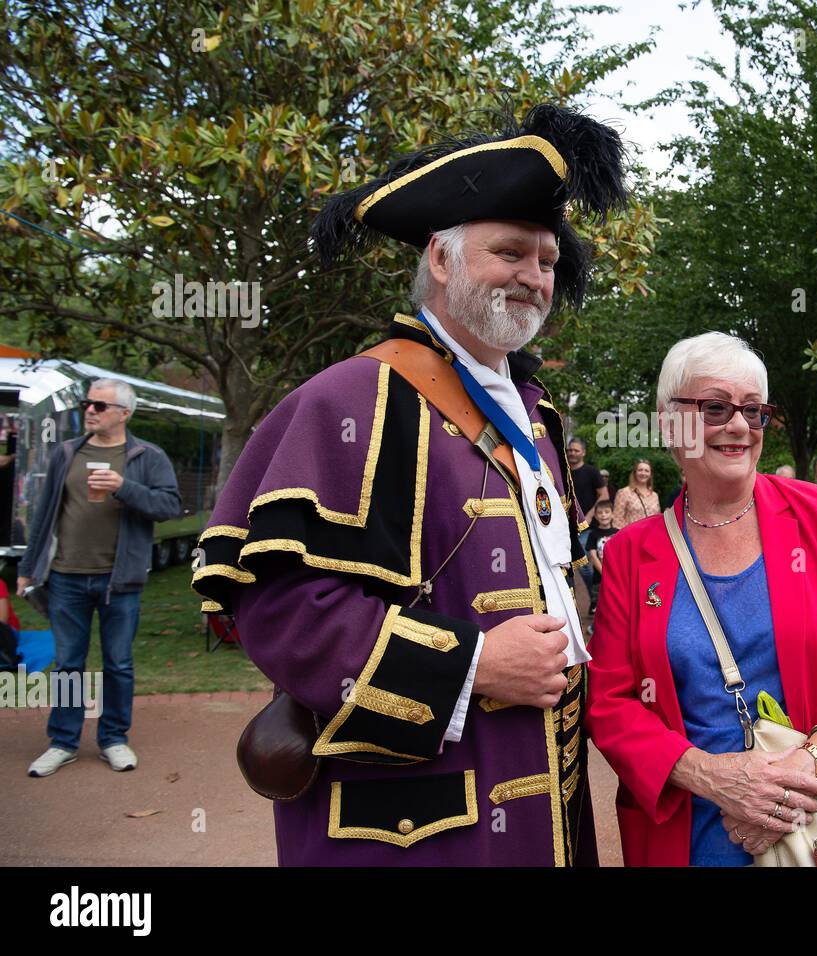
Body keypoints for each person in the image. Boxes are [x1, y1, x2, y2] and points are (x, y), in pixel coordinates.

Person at [191, 105, 628, 865]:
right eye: (511, 252)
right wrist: (475, 663)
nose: (533, 277)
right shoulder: (353, 399)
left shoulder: (536, 415)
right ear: (440, 259)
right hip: (422, 828)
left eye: (548, 261)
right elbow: (284, 612)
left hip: (547, 806)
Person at [586, 331, 817, 866]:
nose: (738, 425)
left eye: (753, 411)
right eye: (715, 408)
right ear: (669, 424)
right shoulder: (630, 554)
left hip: (815, 827)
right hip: (689, 837)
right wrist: (714, 778)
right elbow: (610, 704)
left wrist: (808, 768)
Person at [20, 379, 182, 777]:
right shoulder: (66, 453)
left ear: (124, 413)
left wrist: (124, 487)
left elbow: (170, 506)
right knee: (69, 664)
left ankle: (113, 738)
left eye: (99, 405)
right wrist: (27, 568)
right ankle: (63, 742)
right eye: (87, 404)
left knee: (119, 664)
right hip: (65, 577)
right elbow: (44, 514)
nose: (89, 410)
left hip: (119, 580)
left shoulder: (147, 455)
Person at [567, 437, 609, 607]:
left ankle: (595, 596)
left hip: (585, 527)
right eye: (570, 450)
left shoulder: (591, 471)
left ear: (583, 452)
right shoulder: (563, 470)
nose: (572, 453)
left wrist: (590, 515)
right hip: (564, 527)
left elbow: (604, 496)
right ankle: (573, 602)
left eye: (576, 450)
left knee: (583, 564)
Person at [584, 498, 617, 625]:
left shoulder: (618, 532)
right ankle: (596, 628)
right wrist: (604, 572)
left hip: (616, 576)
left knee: (614, 604)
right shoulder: (593, 534)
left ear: (612, 514)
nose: (604, 515)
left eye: (607, 512)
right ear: (596, 516)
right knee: (599, 605)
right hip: (600, 577)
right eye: (600, 513)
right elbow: (593, 556)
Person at [611, 458, 661, 529]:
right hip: (630, 536)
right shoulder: (624, 492)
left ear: (650, 475)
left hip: (650, 536)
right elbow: (617, 520)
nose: (643, 473)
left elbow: (657, 519)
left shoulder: (654, 496)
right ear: (635, 473)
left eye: (646, 471)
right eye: (640, 470)